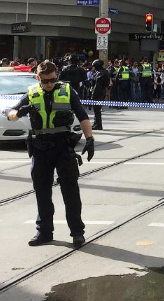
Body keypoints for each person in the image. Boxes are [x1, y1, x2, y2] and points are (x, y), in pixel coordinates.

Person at [2, 60, 95, 247]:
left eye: (53, 80)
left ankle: (77, 232)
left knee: (70, 191)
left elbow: (82, 115)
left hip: (63, 147)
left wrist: (90, 138)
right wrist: (20, 112)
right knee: (42, 193)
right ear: (38, 78)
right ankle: (44, 232)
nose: (50, 84)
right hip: (40, 148)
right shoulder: (32, 93)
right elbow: (11, 114)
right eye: (45, 81)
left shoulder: (68, 92)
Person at [89, 59, 110, 130]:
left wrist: (93, 95)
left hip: (98, 93)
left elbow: (97, 85)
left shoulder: (99, 73)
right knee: (97, 109)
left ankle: (98, 125)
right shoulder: (105, 71)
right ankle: (96, 124)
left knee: (97, 109)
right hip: (103, 91)